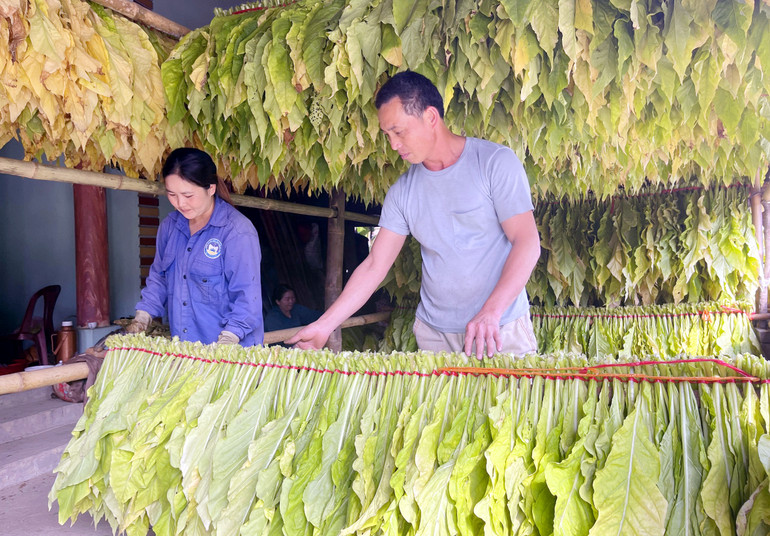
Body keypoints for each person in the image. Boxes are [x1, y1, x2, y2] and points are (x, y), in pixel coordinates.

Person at [288, 71, 541, 358]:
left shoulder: (495, 163)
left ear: (431, 117)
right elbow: (374, 266)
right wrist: (325, 325)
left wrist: (491, 312)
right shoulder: (403, 192)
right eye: (388, 135)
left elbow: (526, 242)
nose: (394, 144)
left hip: (500, 329)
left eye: (399, 131)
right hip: (435, 336)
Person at [126, 148, 264, 346]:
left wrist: (228, 340)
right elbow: (159, 278)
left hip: (231, 357)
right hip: (185, 351)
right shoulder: (170, 227)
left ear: (211, 188)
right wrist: (142, 317)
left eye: (188, 195)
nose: (180, 203)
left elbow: (247, 300)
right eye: (172, 194)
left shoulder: (237, 232)